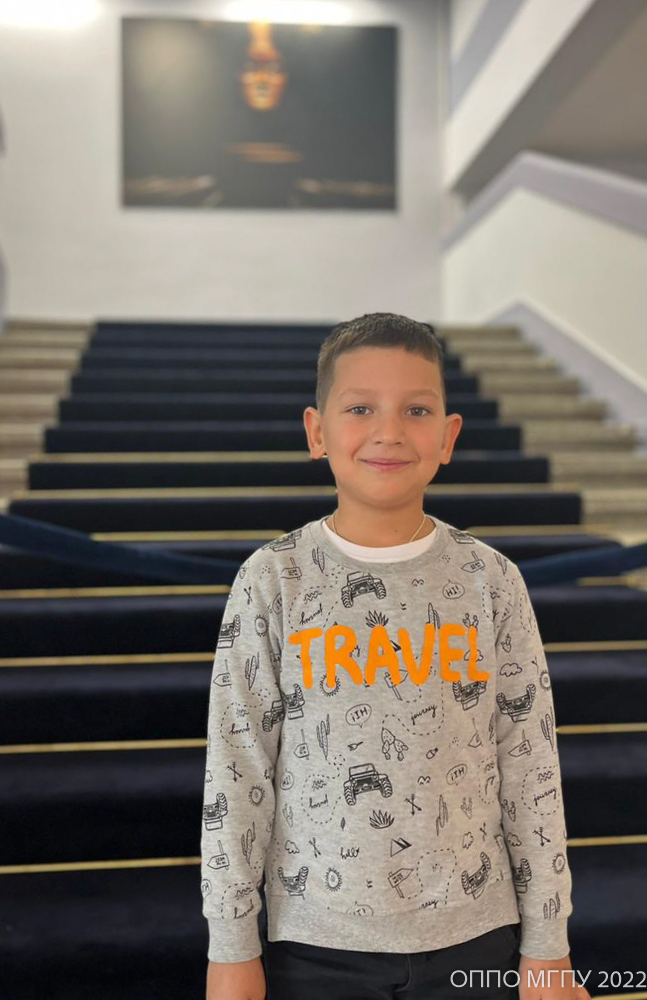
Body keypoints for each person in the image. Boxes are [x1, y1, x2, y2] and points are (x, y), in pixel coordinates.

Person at [202, 313, 591, 1000]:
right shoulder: (273, 579)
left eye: (416, 409)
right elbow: (237, 768)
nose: (389, 431)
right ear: (317, 432)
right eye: (360, 409)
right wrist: (232, 946)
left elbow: (530, 763)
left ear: (448, 436)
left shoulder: (491, 579)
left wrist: (548, 944)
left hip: (475, 934)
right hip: (316, 946)